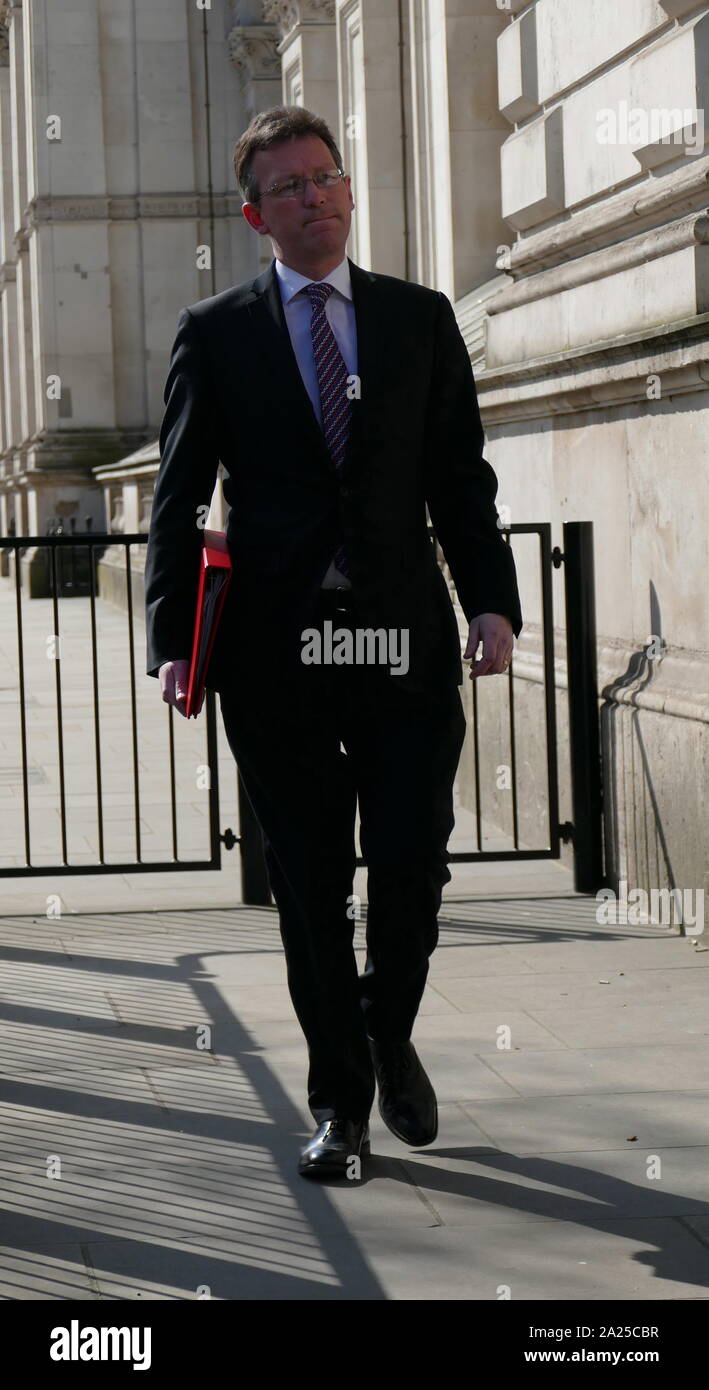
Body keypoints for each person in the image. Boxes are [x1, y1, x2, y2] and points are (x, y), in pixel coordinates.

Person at [144, 105, 522, 1180]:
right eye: (290, 186)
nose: (315, 197)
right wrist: (173, 634)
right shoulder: (215, 332)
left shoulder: (419, 318)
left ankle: (381, 1022)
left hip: (403, 645)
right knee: (312, 885)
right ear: (255, 212)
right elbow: (177, 496)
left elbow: (461, 480)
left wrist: (490, 602)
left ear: (349, 190)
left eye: (327, 176)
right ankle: (340, 1106)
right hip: (276, 657)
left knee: (411, 864)